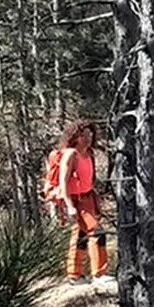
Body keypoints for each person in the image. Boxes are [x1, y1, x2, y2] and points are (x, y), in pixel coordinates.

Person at [49, 120, 109, 280]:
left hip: (88, 197)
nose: (87, 138)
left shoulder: (89, 153)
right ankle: (99, 273)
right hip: (75, 200)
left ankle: (74, 275)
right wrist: (70, 206)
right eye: (83, 135)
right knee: (97, 232)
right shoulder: (70, 155)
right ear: (75, 137)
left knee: (81, 234)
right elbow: (63, 181)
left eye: (90, 134)